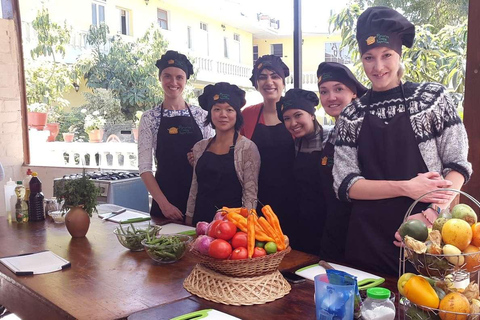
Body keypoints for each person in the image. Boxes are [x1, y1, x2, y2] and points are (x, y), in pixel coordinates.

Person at [333, 6, 472, 275]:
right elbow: (346, 184)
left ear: (399, 54)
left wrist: (433, 214)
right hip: (367, 239)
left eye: (387, 55)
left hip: (424, 234)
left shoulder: (432, 99)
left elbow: (457, 166)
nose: (378, 66)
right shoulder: (352, 114)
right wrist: (407, 187)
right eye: (369, 58)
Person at [138, 50, 214, 220]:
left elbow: (212, 157)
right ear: (160, 78)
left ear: (186, 80)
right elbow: (144, 168)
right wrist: (164, 205)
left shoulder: (202, 116)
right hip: (165, 200)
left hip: (200, 199)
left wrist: (200, 159)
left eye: (179, 77)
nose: (173, 82)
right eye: (167, 76)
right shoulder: (150, 118)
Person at [186, 82, 260, 225]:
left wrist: (246, 227)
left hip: (232, 225)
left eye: (229, 110)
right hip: (201, 222)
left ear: (237, 114)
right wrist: (188, 218)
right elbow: (194, 188)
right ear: (210, 113)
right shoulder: (200, 147)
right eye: (217, 109)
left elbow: (250, 193)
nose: (223, 115)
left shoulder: (247, 148)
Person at [316, 62, 368, 262]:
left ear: (353, 92)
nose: (331, 97)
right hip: (333, 229)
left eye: (339, 89)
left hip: (361, 233)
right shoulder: (329, 135)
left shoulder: (367, 129)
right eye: (324, 91)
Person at [241, 55, 297, 237]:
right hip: (259, 199)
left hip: (295, 197)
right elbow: (235, 150)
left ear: (283, 81)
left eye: (274, 76)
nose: (269, 82)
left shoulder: (296, 112)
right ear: (256, 83)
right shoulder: (247, 115)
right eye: (262, 77)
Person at [278, 88, 325, 254]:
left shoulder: (331, 139)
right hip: (302, 220)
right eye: (287, 119)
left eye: (298, 115)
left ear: (311, 114)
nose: (293, 123)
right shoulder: (295, 145)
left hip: (327, 222)